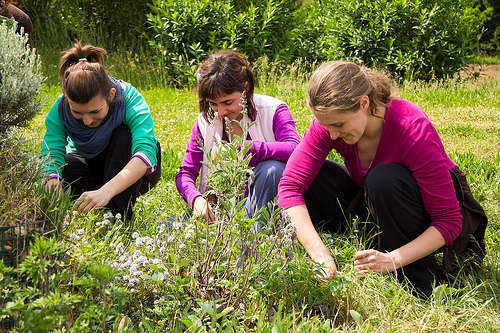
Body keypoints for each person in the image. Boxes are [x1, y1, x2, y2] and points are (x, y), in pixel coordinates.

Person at [278, 61, 488, 297]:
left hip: (427, 215)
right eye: (327, 126)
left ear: (364, 104)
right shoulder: (328, 126)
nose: (333, 135)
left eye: (338, 124)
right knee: (317, 177)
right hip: (375, 200)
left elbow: (448, 221)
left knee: (383, 179)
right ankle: (365, 240)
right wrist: (319, 253)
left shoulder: (412, 129)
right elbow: (290, 186)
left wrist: (392, 259)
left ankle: (418, 278)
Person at [176, 50, 300, 223]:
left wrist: (246, 148)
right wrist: (196, 199)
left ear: (246, 87)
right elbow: (185, 173)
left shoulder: (272, 109)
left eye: (228, 102)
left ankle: (255, 235)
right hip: (224, 208)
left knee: (271, 170)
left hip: (271, 205)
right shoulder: (206, 122)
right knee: (168, 227)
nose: (221, 111)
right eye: (213, 104)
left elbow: (295, 148)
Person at [41, 43, 161, 221]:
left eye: (95, 111)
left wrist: (106, 191)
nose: (88, 120)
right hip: (91, 165)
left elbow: (145, 152)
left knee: (123, 135)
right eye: (77, 113)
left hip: (131, 169)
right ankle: (93, 206)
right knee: (66, 164)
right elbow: (51, 155)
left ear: (111, 95)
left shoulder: (129, 99)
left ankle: (118, 217)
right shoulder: (60, 108)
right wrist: (53, 186)